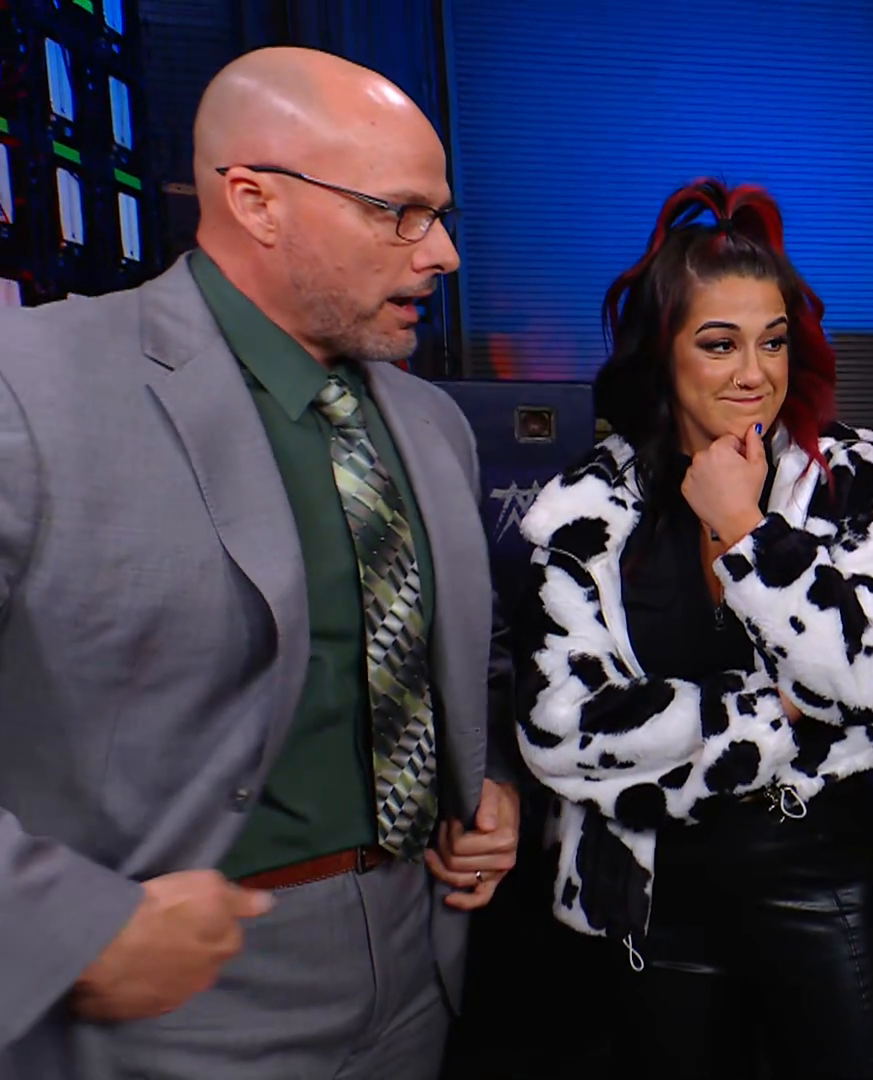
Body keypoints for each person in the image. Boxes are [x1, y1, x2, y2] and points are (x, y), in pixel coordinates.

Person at [0, 47, 518, 1079]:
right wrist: (64, 926)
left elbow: (458, 661)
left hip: (418, 966)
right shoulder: (30, 390)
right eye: (401, 213)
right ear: (256, 201)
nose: (444, 253)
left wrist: (486, 781)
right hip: (162, 1008)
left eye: (440, 215)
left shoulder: (432, 425)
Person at [512, 178, 873, 1078]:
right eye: (720, 343)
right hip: (651, 886)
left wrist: (746, 532)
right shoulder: (586, 505)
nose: (754, 373)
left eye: (773, 341)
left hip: (819, 868)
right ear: (662, 354)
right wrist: (777, 715)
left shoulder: (845, 473)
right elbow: (560, 731)